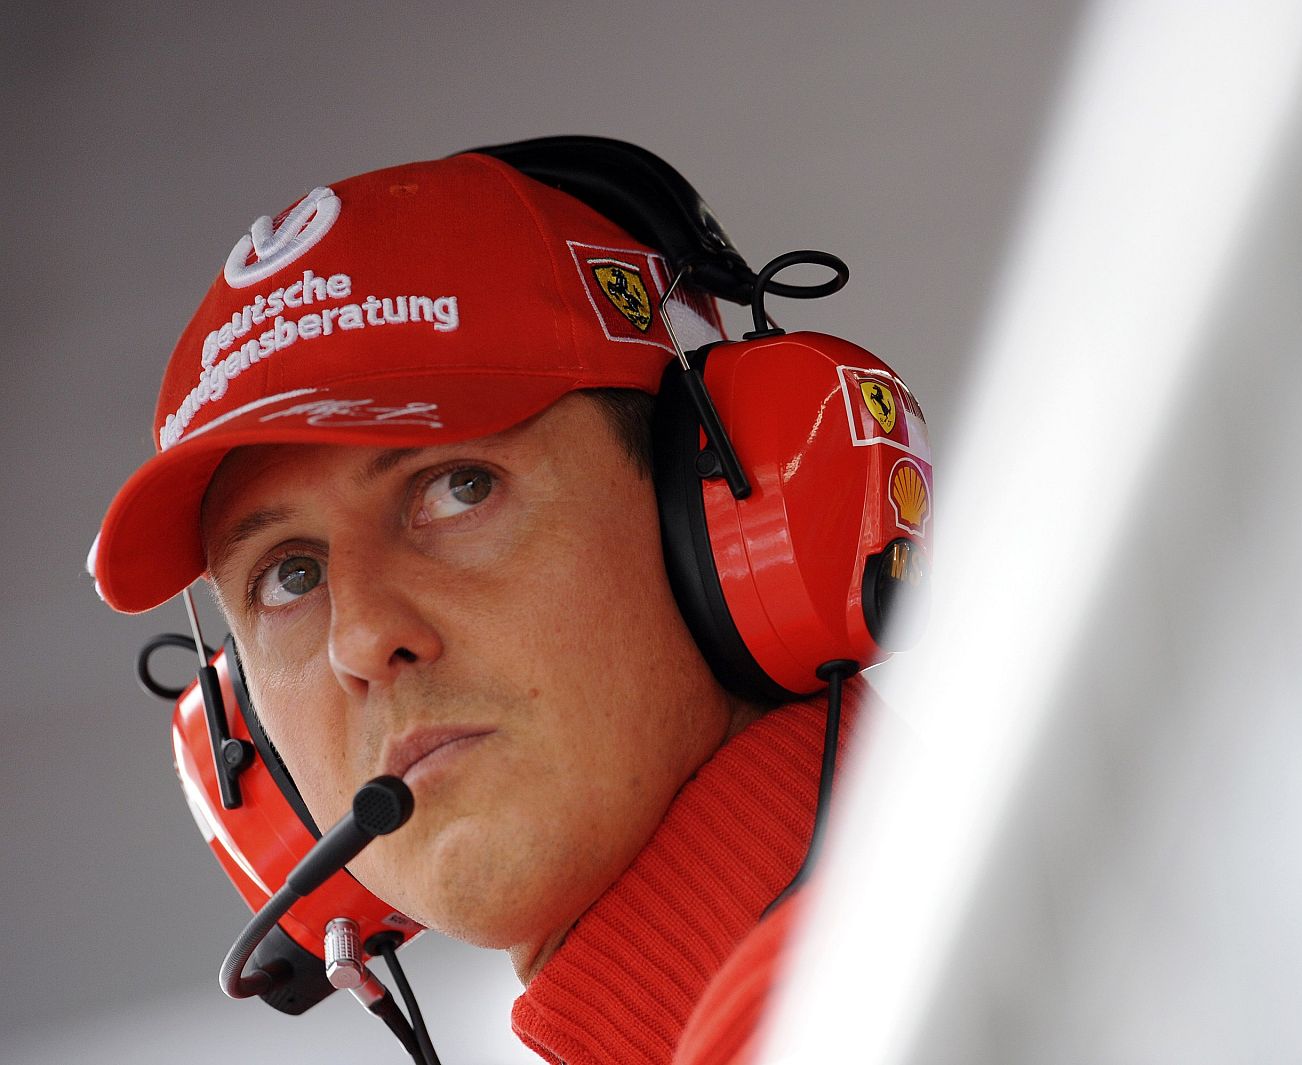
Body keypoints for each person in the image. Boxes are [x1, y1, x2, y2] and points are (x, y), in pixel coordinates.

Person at [87, 142, 928, 1064]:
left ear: (720, 511)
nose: (364, 636)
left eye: (458, 488)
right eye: (290, 575)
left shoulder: (908, 994)